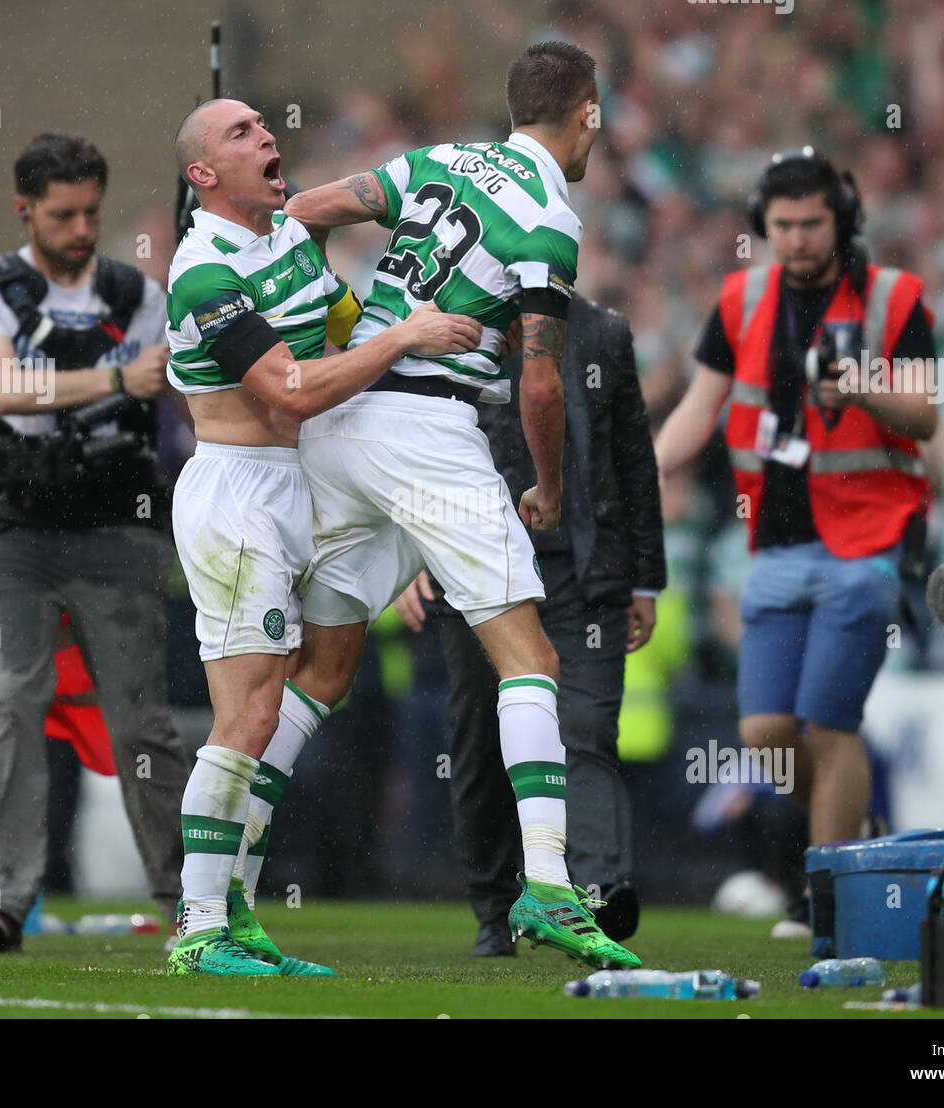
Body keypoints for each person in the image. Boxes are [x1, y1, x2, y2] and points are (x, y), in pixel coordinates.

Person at [255, 40, 640, 971]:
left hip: (345, 420)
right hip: (430, 430)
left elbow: (302, 212)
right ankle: (549, 889)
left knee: (322, 672)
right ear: (586, 112)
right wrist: (546, 487)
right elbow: (540, 387)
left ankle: (221, 881)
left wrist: (338, 322)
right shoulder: (550, 217)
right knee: (531, 658)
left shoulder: (440, 161)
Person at [162, 98, 482, 976]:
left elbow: (343, 331)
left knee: (305, 693)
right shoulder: (203, 274)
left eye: (264, 126)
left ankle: (238, 913)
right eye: (240, 134)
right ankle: (196, 928)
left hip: (307, 483)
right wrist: (411, 334)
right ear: (201, 176)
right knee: (250, 712)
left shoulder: (288, 238)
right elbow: (295, 390)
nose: (266, 137)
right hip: (237, 499)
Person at [654, 147, 938, 937]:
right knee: (765, 734)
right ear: (762, 226)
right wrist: (647, 470)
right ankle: (853, 843)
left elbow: (927, 414)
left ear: (840, 220)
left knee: (827, 725)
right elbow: (698, 408)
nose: (798, 238)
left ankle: (824, 902)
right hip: (774, 544)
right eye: (782, 225)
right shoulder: (742, 299)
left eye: (812, 223)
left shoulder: (894, 298)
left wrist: (865, 387)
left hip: (868, 542)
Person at [0, 133, 190, 952]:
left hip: (118, 528)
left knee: (141, 725)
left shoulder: (139, 292)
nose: (82, 227)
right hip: (16, 530)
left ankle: (191, 901)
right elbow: (3, 392)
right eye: (63, 215)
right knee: (13, 699)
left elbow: (186, 392)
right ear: (27, 210)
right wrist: (119, 378)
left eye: (92, 210)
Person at [394, 292, 666, 955]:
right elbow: (399, 443)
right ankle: (495, 911)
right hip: (472, 562)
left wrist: (644, 577)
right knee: (480, 743)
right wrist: (406, 555)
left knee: (587, 730)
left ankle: (598, 894)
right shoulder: (442, 327)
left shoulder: (602, 331)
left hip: (585, 570)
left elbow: (633, 454)